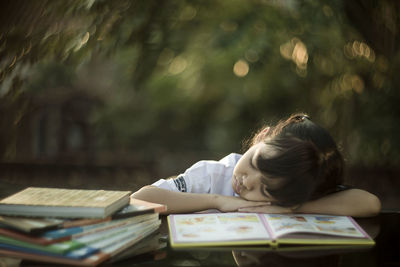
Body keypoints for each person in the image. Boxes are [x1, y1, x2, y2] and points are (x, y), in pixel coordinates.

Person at [133, 113, 381, 217]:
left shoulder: (291, 193)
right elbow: (140, 199)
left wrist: (292, 208)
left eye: (267, 189)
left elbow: (370, 203)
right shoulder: (215, 174)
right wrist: (218, 201)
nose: (248, 181)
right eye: (254, 163)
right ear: (262, 137)